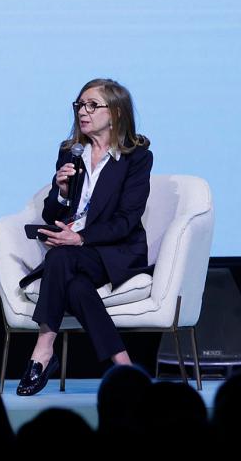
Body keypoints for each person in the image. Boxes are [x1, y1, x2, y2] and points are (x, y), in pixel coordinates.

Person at [16, 79, 152, 395]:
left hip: (115, 250)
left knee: (60, 257)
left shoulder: (136, 157)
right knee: (76, 287)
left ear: (116, 113)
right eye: (79, 105)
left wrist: (80, 238)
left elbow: (127, 221)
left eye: (92, 105)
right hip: (74, 252)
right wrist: (62, 192)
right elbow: (52, 213)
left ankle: (43, 350)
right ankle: (124, 366)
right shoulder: (71, 152)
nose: (82, 112)